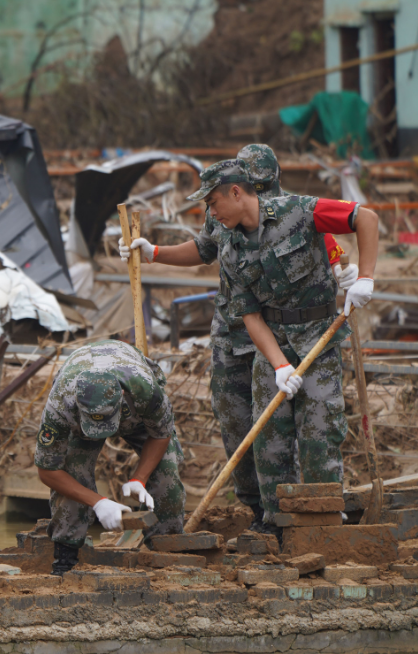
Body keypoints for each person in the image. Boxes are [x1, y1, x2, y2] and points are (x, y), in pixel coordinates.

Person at [119, 144, 357, 532]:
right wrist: (154, 253)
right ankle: (262, 510)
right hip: (237, 332)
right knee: (240, 425)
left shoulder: (288, 211)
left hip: (286, 331)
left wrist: (348, 273)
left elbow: (326, 245)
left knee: (299, 424)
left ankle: (307, 509)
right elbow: (203, 248)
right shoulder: (223, 215)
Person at [199, 159, 377, 535]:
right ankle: (275, 523)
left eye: (214, 202)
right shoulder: (230, 250)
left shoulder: (299, 211)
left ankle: (323, 520)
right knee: (270, 438)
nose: (210, 213)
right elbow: (249, 316)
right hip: (272, 345)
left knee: (318, 432)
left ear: (236, 192)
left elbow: (366, 218)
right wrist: (279, 366)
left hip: (319, 337)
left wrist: (365, 277)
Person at [35, 340, 183, 575]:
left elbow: (161, 434)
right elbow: (48, 470)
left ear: (122, 394)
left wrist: (139, 479)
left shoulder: (144, 388)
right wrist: (98, 501)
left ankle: (166, 556)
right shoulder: (61, 403)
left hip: (135, 413)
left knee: (166, 476)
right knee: (72, 474)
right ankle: (66, 558)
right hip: (78, 423)